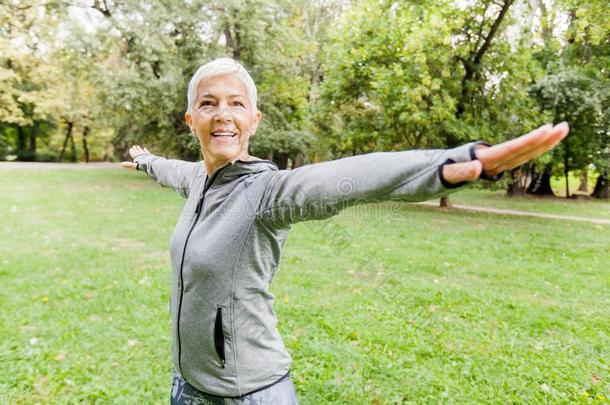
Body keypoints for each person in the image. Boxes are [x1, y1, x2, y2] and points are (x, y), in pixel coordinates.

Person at [121, 57, 569, 404]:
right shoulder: (197, 180)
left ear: (254, 121)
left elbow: (346, 178)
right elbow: (170, 169)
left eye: (237, 103)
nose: (223, 114)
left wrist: (450, 163)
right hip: (188, 385)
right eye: (209, 102)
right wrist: (145, 161)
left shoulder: (267, 193)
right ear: (191, 119)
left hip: (250, 392)